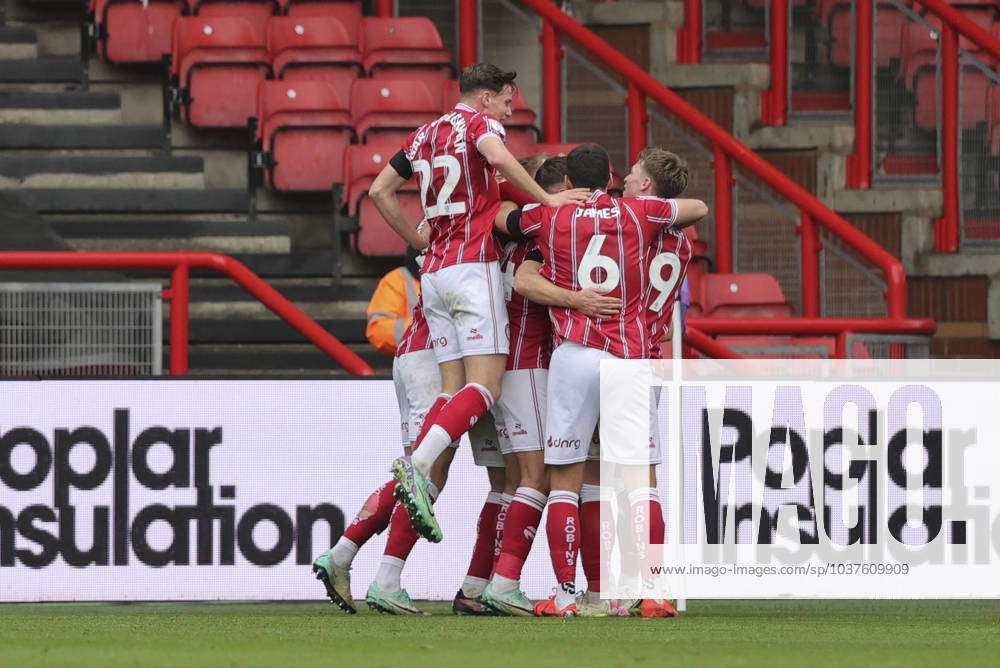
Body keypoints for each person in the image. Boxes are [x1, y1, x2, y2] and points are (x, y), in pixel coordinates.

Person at [368, 62, 587, 542]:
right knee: (485, 386)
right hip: (471, 266)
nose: (510, 112)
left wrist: (416, 240)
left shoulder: (423, 134)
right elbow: (501, 158)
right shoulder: (479, 125)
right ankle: (417, 466)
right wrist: (550, 204)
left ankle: (398, 507)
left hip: (436, 272)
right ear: (485, 98)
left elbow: (378, 190)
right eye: (507, 101)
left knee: (454, 390)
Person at [500, 143, 707, 617]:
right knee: (640, 483)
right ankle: (653, 591)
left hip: (574, 353)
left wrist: (546, 202)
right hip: (632, 355)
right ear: (612, 177)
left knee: (566, 480)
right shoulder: (643, 217)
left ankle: (567, 595)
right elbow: (696, 208)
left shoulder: (551, 217)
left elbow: (503, 221)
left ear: (568, 182)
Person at [480, 156, 622, 616]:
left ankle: (478, 583)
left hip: (498, 364)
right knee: (541, 477)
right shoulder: (552, 224)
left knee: (513, 482)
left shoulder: (506, 224)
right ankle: (506, 584)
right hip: (530, 363)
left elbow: (502, 204)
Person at [365, 249, 422, 356]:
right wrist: (424, 330)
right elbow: (378, 331)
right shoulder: (397, 279)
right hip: (414, 363)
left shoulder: (458, 275)